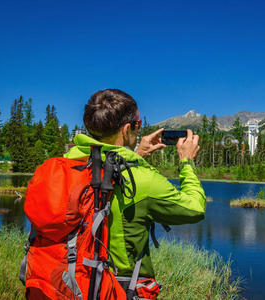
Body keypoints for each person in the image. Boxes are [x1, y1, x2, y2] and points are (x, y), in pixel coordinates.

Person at [64, 88, 206, 296]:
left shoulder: (67, 164)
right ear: (127, 128)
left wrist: (134, 155)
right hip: (119, 289)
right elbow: (194, 208)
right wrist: (186, 162)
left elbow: (106, 170)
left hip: (73, 281)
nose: (139, 130)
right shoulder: (142, 179)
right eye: (138, 125)